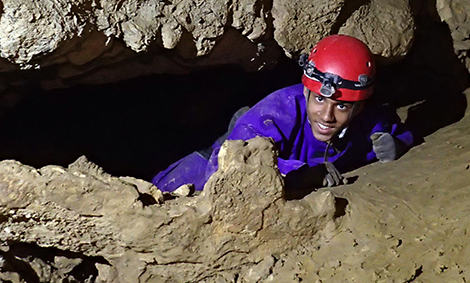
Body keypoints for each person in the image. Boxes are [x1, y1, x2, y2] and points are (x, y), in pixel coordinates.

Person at [152, 34, 413, 195]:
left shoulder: (369, 122)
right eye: (319, 99)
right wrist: (302, 173)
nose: (327, 116)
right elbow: (235, 161)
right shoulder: (279, 110)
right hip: (208, 164)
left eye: (342, 106)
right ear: (306, 91)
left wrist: (398, 144)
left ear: (360, 106)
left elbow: (403, 133)